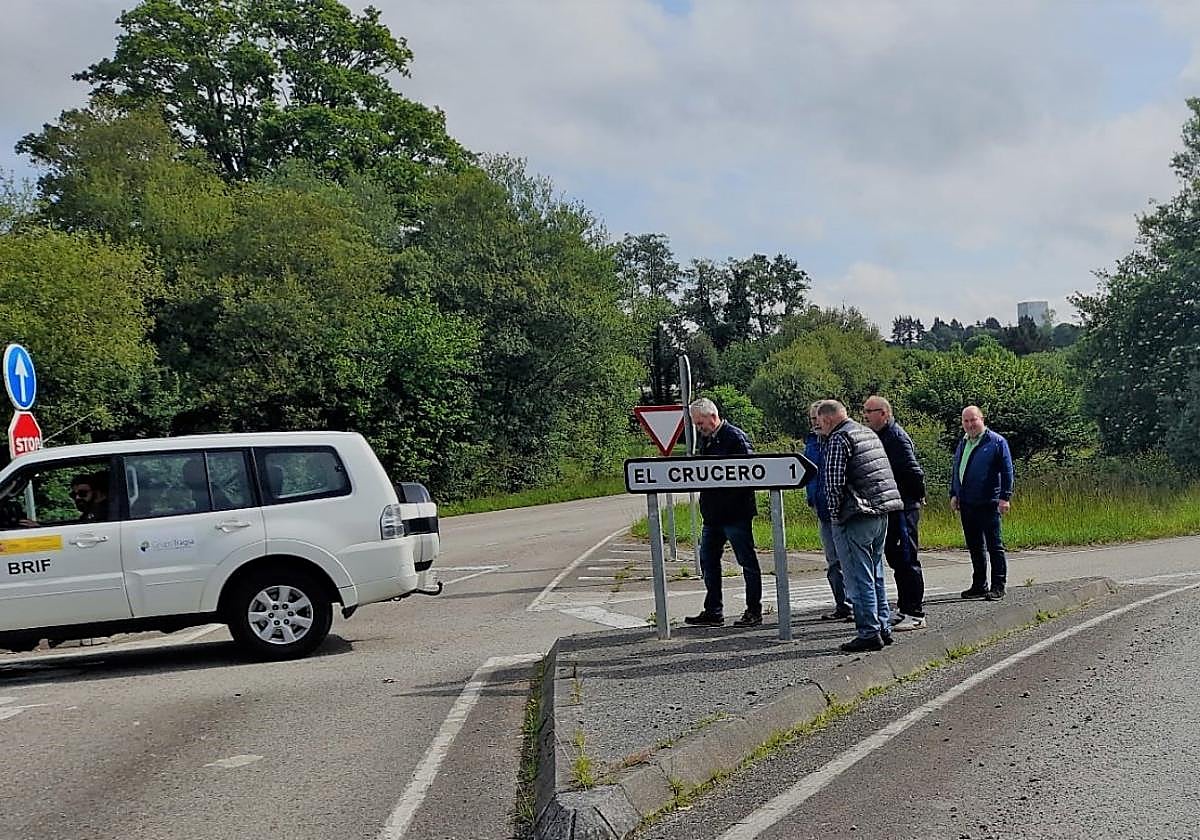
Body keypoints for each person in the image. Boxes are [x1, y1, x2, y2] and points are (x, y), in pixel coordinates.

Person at [817, 399, 903, 652]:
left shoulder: (839, 438)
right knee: (876, 573)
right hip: (881, 512)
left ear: (828, 419)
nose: (819, 427)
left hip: (855, 515)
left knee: (857, 576)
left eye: (819, 422)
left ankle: (868, 632)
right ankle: (883, 626)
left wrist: (835, 516)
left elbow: (833, 483)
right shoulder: (867, 433)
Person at [684, 397, 762, 628]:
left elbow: (751, 473)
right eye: (696, 424)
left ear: (712, 416)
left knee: (747, 562)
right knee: (708, 561)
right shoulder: (706, 440)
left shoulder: (735, 437)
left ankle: (754, 611)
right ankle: (713, 610)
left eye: (700, 423)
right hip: (713, 515)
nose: (698, 428)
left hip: (736, 514)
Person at [863, 396, 927, 631]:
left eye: (870, 411)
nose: (865, 416)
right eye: (864, 411)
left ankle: (915, 612)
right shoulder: (881, 436)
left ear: (884, 413)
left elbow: (912, 471)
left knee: (907, 558)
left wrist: (916, 496)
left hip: (903, 507)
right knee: (896, 558)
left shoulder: (896, 437)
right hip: (891, 505)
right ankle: (904, 608)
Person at [950, 405, 1014, 601]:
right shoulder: (963, 442)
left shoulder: (996, 442)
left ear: (982, 419)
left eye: (973, 420)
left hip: (989, 502)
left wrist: (1005, 497)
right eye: (966, 421)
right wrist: (954, 494)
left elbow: (1007, 471)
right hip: (967, 503)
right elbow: (957, 469)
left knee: (994, 546)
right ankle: (979, 585)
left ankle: (998, 586)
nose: (970, 424)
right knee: (975, 546)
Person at [805, 401, 850, 622]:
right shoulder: (812, 443)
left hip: (842, 510)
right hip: (822, 509)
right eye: (812, 419)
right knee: (833, 561)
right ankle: (842, 605)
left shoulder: (838, 440)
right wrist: (811, 498)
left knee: (847, 560)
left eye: (818, 419)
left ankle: (856, 606)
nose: (816, 423)